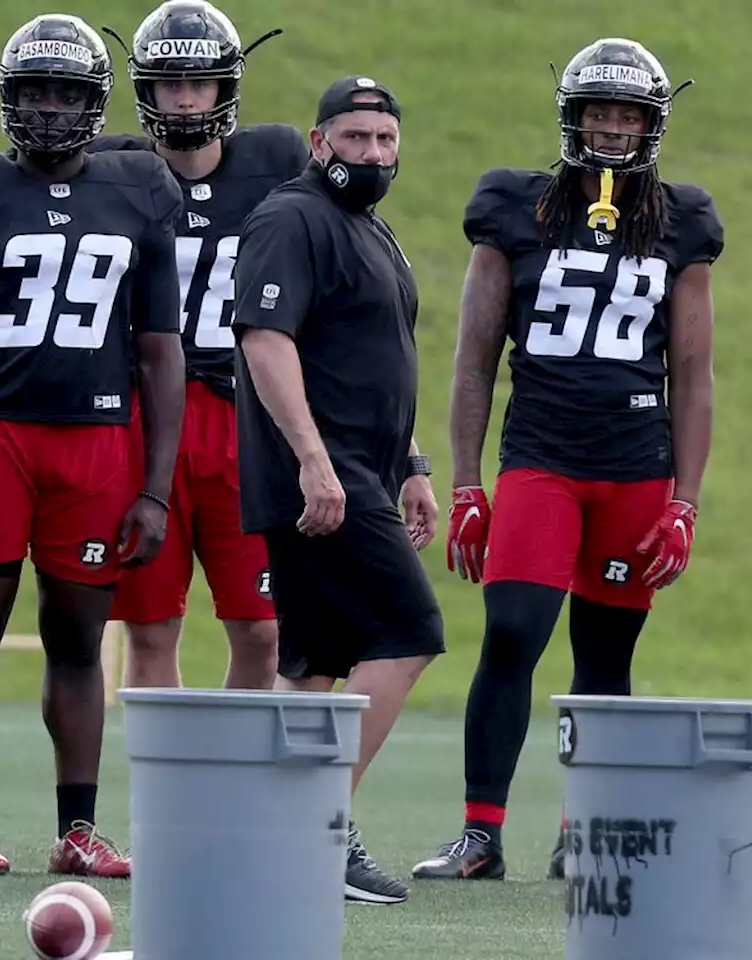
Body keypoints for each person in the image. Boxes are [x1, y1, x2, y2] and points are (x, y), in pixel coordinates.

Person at [411, 37, 722, 882]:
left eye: (627, 114)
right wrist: (469, 481)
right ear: (572, 117)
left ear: (652, 124)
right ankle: (481, 832)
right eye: (598, 111)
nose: (613, 128)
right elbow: (474, 359)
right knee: (511, 634)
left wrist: (685, 499)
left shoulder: (682, 220)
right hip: (542, 458)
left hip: (634, 464)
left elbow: (691, 373)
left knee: (605, 653)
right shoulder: (515, 207)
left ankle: (583, 832)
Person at [0, 13, 185, 878]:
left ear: (96, 103)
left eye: (68, 93)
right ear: (8, 98)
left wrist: (155, 487)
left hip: (98, 443)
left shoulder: (139, 191)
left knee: (80, 636)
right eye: (35, 91)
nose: (52, 109)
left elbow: (160, 351)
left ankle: (77, 828)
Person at [233, 75, 445, 905]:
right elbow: (265, 341)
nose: (373, 154)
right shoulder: (293, 217)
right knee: (407, 631)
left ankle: (258, 831)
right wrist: (316, 465)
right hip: (324, 480)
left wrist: (413, 464)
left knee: (315, 663)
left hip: (362, 472)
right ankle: (313, 824)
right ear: (319, 141)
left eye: (386, 140)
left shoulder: (367, 227)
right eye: (355, 139)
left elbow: (369, 361)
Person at [89, 0, 307, 690]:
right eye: (168, 83)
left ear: (226, 86)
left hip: (244, 415)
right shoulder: (107, 170)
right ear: (143, 90)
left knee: (264, 630)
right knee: (150, 632)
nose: (185, 99)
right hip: (143, 416)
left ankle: (233, 791)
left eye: (199, 82)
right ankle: (168, 796)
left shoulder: (276, 166)